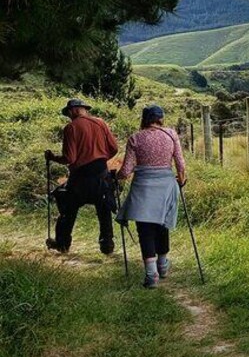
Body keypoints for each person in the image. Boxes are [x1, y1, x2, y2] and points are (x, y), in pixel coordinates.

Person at [116, 105, 187, 288]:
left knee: (145, 229)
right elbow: (180, 164)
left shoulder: (135, 138)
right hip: (165, 184)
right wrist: (181, 179)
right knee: (162, 225)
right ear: (161, 118)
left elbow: (126, 171)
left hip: (143, 187)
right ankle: (162, 265)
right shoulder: (171, 135)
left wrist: (116, 177)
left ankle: (151, 274)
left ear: (144, 119)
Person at [45, 99, 119, 254]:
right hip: (101, 174)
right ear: (84, 109)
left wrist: (53, 158)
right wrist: (102, 158)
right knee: (103, 209)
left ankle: (63, 244)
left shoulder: (71, 128)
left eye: (68, 113)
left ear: (73, 110)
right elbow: (114, 148)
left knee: (68, 209)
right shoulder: (101, 123)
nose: (69, 117)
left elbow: (70, 159)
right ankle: (107, 246)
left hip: (80, 177)